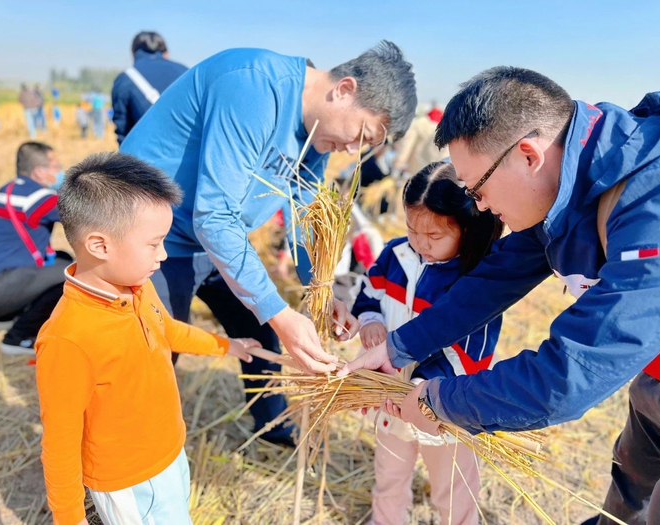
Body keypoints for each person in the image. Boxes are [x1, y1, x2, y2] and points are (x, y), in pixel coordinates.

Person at [339, 68, 660, 525]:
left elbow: (567, 376)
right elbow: (490, 283)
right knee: (625, 504)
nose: (477, 206)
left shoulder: (657, 204)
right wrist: (398, 347)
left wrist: (438, 401)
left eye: (477, 188)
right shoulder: (570, 182)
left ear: (527, 155)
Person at [120, 41, 417, 445]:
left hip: (213, 240)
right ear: (344, 90)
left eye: (364, 148)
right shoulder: (254, 87)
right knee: (155, 349)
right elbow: (214, 213)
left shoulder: (317, 138)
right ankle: (121, 471)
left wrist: (320, 292)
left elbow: (302, 217)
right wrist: (278, 310)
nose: (351, 151)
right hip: (151, 234)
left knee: (258, 331)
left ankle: (272, 425)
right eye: (359, 135)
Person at [35, 152, 260, 525]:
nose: (164, 255)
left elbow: (169, 331)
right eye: (154, 244)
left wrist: (227, 346)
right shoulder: (67, 339)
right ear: (100, 246)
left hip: (169, 450)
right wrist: (70, 518)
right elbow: (58, 444)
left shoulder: (137, 288)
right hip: (131, 480)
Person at [351, 162, 503, 525]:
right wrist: (370, 320)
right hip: (388, 397)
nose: (420, 243)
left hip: (444, 405)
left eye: (433, 236)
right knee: (389, 475)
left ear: (466, 229)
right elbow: (369, 292)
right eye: (411, 230)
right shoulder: (395, 256)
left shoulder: (475, 282)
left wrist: (422, 387)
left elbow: (472, 355)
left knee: (453, 484)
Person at [0, 142, 69, 354]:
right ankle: (18, 338)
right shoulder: (37, 198)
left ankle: (4, 316)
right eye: (55, 166)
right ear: (39, 171)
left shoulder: (10, 188)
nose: (60, 170)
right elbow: (84, 215)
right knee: (72, 274)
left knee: (61, 258)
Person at [111, 31, 188, 144]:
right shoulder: (187, 72)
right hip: (190, 154)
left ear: (133, 53)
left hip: (146, 156)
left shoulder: (125, 78)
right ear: (166, 52)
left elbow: (123, 130)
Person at [393, 104, 445, 177]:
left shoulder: (417, 125)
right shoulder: (436, 128)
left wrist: (397, 166)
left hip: (419, 168)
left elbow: (406, 147)